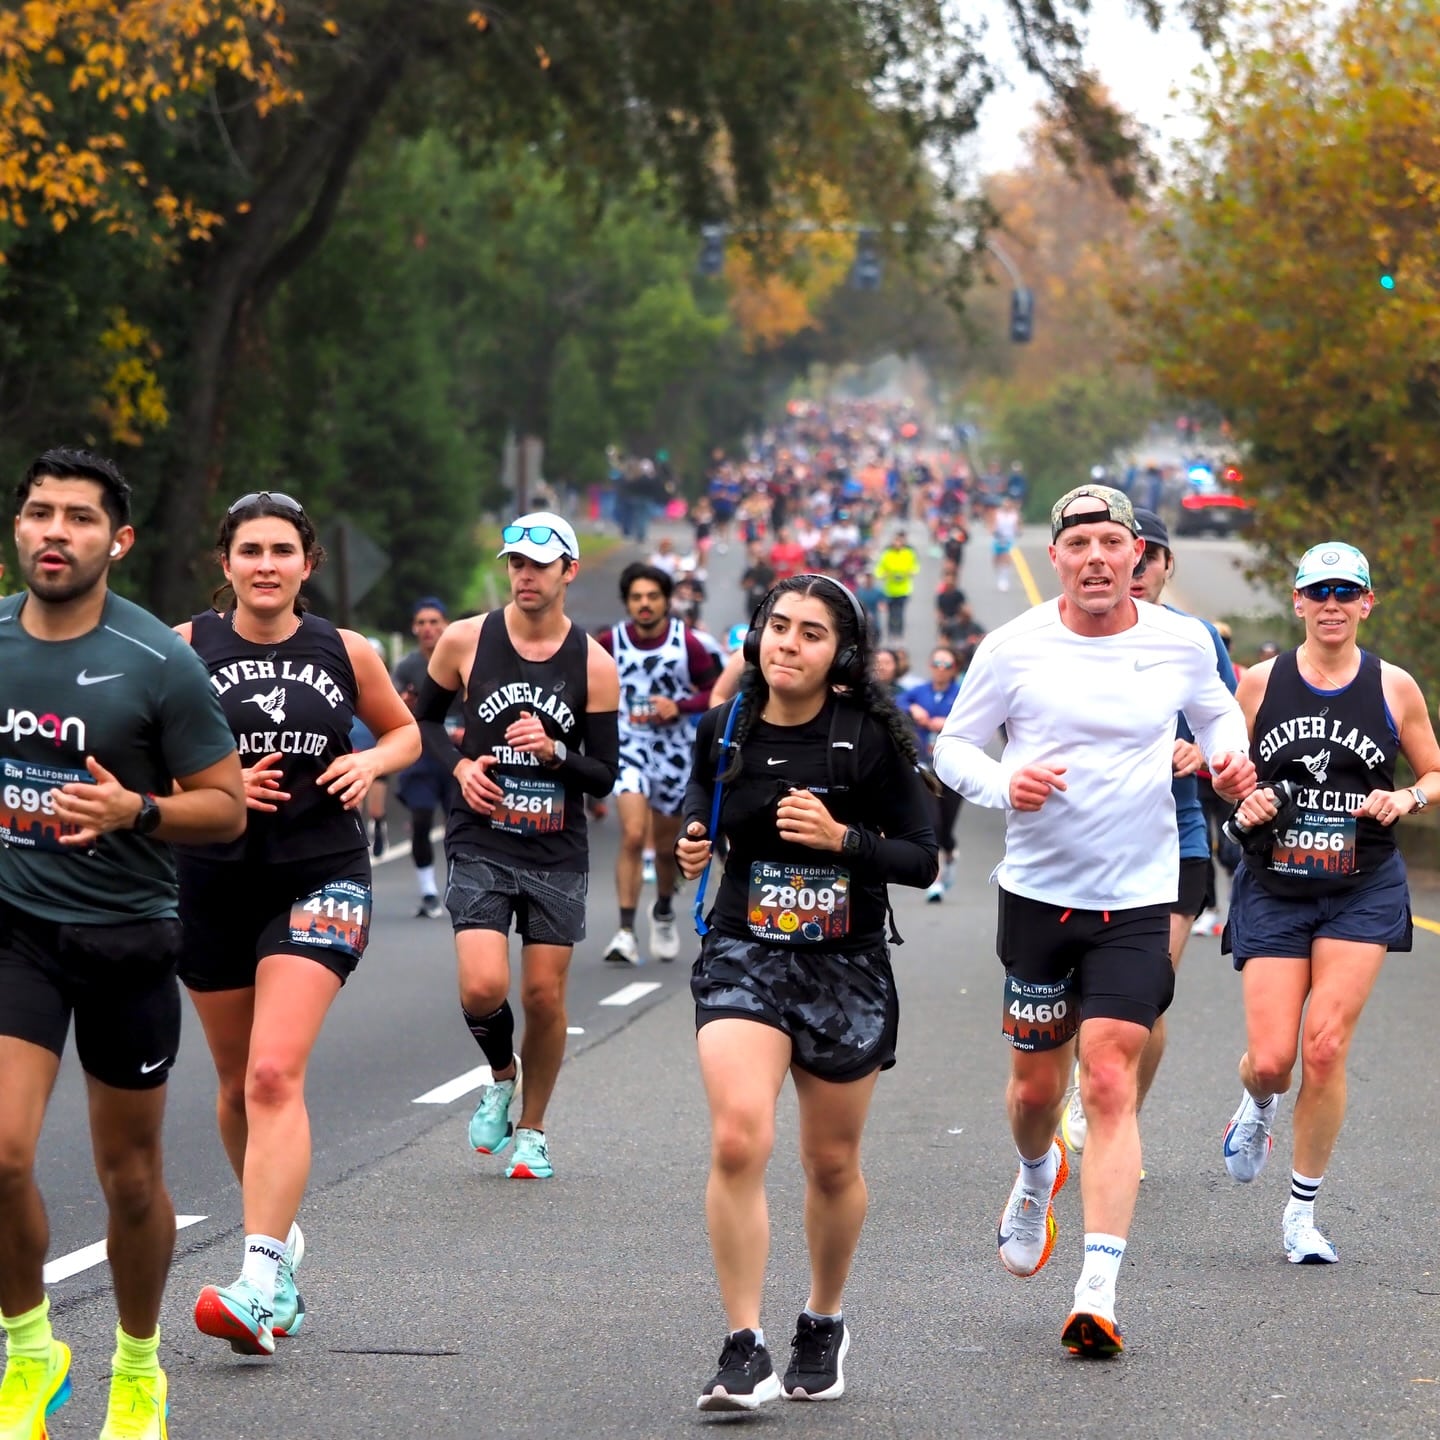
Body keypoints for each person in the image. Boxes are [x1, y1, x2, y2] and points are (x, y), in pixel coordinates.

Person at [933, 484, 1254, 1357]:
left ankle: (1097, 1291)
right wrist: (1005, 786)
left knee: (1109, 1075)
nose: (1099, 559)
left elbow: (1221, 712)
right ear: (1057, 558)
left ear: (1139, 558)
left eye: (1115, 542)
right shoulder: (1013, 647)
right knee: (1037, 1091)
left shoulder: (1181, 640)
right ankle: (1038, 1173)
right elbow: (953, 745)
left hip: (1142, 895)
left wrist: (1228, 760)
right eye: (1081, 544)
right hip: (1038, 895)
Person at [0, 448, 245, 1439]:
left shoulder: (160, 663)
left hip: (126, 940)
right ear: (18, 526)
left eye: (79, 519)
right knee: (2, 1154)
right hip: (14, 928)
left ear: (118, 540)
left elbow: (225, 810)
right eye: (38, 513)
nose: (54, 532)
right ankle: (28, 1350)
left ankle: (137, 1368)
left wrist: (135, 808)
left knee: (131, 1177)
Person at [677, 575, 938, 1410]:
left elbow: (922, 857)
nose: (788, 644)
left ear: (841, 654)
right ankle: (742, 1345)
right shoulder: (727, 728)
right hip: (745, 952)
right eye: (777, 627)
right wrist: (693, 837)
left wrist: (844, 838)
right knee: (737, 1138)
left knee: (829, 1163)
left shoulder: (865, 739)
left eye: (810, 634)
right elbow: (700, 797)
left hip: (843, 967)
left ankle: (822, 1318)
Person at [178, 492, 420, 1357]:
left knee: (275, 1072)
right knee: (238, 1077)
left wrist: (369, 757)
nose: (267, 564)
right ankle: (276, 1245)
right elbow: (138, 766)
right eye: (251, 550)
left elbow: (405, 734)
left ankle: (259, 1274)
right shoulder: (183, 649)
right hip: (209, 882)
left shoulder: (346, 651)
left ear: (308, 565)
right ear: (227, 563)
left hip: (321, 874)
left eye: (284, 550)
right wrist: (212, 787)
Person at [1219, 542, 1440, 1263]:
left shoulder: (1393, 686)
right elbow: (1223, 771)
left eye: (1348, 592)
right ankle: (1257, 1103)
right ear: (1299, 603)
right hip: (1275, 884)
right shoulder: (1258, 683)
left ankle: (1300, 1214)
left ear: (1368, 603)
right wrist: (1242, 799)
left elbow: (1435, 772)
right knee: (1275, 1058)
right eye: (1320, 593)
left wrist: (1407, 794)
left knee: (1326, 1045)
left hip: (1361, 884)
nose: (1333, 605)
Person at [417, 512, 620, 1180]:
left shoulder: (593, 663)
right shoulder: (465, 640)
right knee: (482, 987)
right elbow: (416, 720)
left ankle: (532, 1130)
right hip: (482, 835)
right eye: (515, 564)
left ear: (569, 570)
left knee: (543, 998)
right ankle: (502, 1074)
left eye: (539, 564)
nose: (524, 576)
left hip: (556, 848)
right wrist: (459, 767)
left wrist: (558, 750)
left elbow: (603, 772)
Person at [1059, 508, 1239, 1160]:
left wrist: (1205, 754)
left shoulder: (1194, 639)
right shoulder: (1066, 631)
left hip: (1177, 838)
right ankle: (1086, 1084)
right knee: (1077, 997)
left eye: (1149, 556)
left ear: (1159, 564)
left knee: (1147, 993)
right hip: (1083, 842)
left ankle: (1116, 1116)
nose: (1135, 568)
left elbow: (1231, 724)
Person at [596, 563, 721, 965]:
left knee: (668, 849)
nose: (644, 605)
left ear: (666, 601)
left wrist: (679, 706)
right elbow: (584, 684)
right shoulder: (609, 642)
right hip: (629, 747)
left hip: (675, 751)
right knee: (633, 835)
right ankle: (625, 931)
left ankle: (664, 909)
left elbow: (715, 693)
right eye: (636, 597)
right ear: (627, 602)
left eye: (652, 597)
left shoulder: (689, 644)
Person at [393, 598, 463, 918]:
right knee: (421, 820)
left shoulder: (462, 660)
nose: (428, 628)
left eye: (434, 621)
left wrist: (468, 731)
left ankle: (459, 886)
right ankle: (428, 892)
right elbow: (390, 708)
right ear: (413, 628)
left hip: (456, 754)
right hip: (421, 753)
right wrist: (404, 705)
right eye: (421, 623)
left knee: (458, 824)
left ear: (445, 625)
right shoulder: (408, 666)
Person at [901, 645, 965, 902]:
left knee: (946, 826)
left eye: (946, 665)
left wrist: (947, 723)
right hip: (926, 768)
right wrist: (914, 710)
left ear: (954, 670)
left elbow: (979, 717)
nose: (940, 669)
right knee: (933, 823)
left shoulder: (960, 694)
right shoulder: (920, 691)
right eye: (936, 663)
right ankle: (935, 881)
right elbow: (897, 701)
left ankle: (950, 851)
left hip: (953, 768)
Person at [873, 531, 920, 638]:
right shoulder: (887, 554)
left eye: (900, 541)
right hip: (890, 589)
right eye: (896, 541)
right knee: (891, 613)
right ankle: (891, 632)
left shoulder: (908, 553)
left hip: (903, 589)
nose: (898, 543)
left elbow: (915, 567)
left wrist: (912, 572)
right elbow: (879, 569)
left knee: (899, 612)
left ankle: (898, 633)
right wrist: (882, 574)